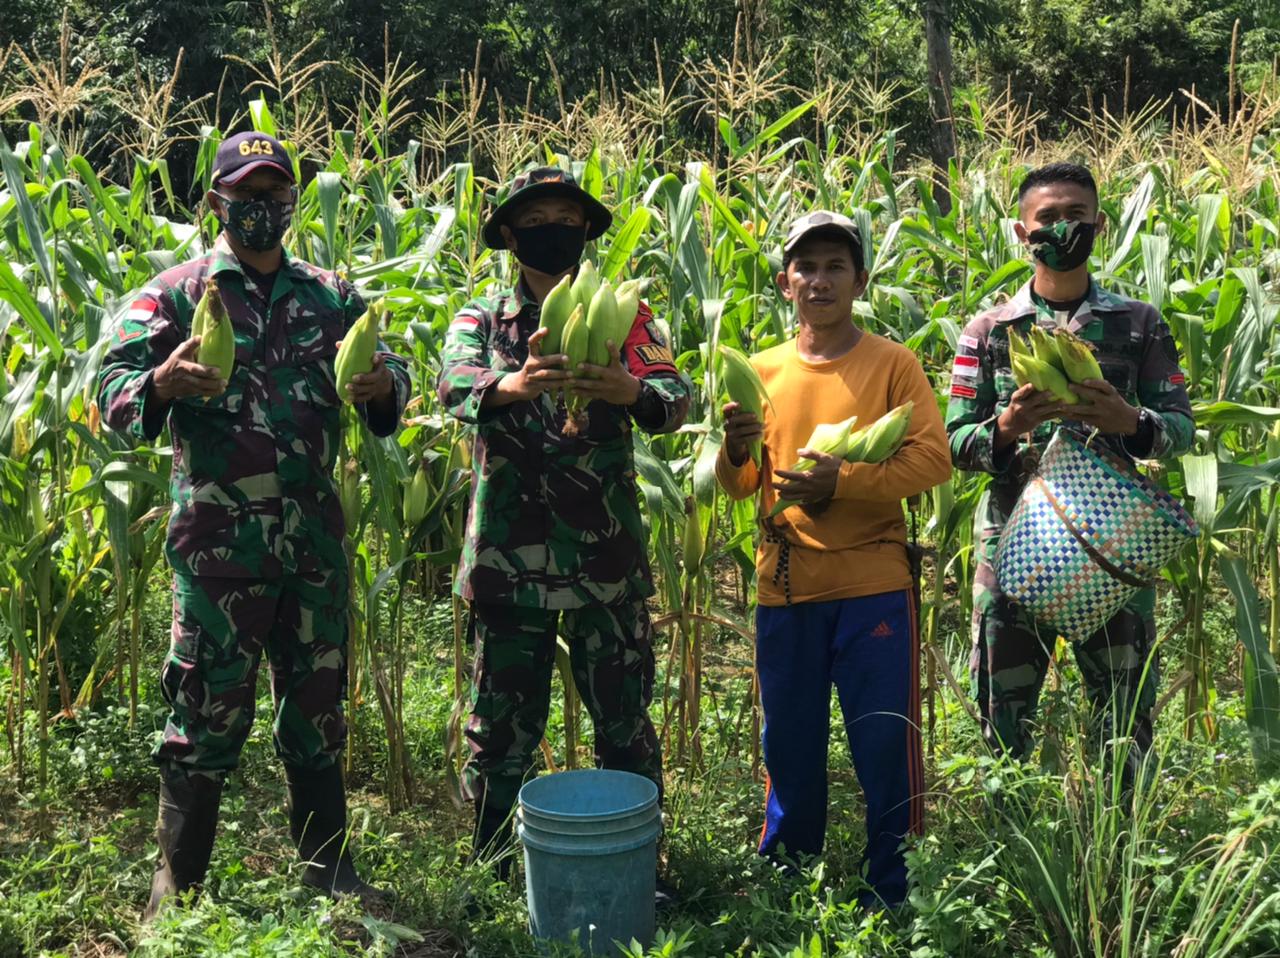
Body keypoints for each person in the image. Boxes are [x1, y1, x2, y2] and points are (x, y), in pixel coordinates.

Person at [97, 131, 410, 918]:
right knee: (203, 715)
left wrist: (381, 386)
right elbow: (112, 389)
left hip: (313, 548)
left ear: (294, 201)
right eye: (246, 194)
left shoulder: (332, 295)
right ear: (217, 202)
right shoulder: (175, 294)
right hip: (218, 555)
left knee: (317, 713)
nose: (261, 208)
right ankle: (179, 886)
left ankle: (329, 875)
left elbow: (390, 385)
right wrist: (162, 381)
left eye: (275, 194)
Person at [437, 167, 690, 892]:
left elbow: (674, 396)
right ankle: (489, 869)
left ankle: (643, 861)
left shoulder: (628, 317)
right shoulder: (482, 318)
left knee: (625, 719)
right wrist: (510, 384)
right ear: (511, 235)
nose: (556, 229)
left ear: (584, 231)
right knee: (500, 724)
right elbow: (453, 384)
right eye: (538, 218)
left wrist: (631, 390)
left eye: (567, 217)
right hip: (509, 558)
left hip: (603, 555)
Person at [716, 211, 951, 909]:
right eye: (806, 267)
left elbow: (932, 459)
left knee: (884, 747)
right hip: (785, 588)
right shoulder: (759, 370)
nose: (819, 280)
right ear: (785, 281)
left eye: (835, 267)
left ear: (861, 280)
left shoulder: (892, 364)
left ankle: (895, 890)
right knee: (788, 745)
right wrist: (733, 452)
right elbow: (742, 485)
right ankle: (788, 880)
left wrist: (840, 482)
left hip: (873, 585)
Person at [945, 161, 1194, 774]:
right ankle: (1010, 848)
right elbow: (953, 440)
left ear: (1100, 225)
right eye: (1047, 218)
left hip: (1113, 548)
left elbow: (1181, 429)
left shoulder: (1138, 325)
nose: (1062, 229)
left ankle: (1118, 852)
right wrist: (1007, 428)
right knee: (1002, 723)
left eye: (1076, 217)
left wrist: (1131, 424)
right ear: (1021, 231)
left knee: (1123, 722)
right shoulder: (989, 332)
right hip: (1014, 547)